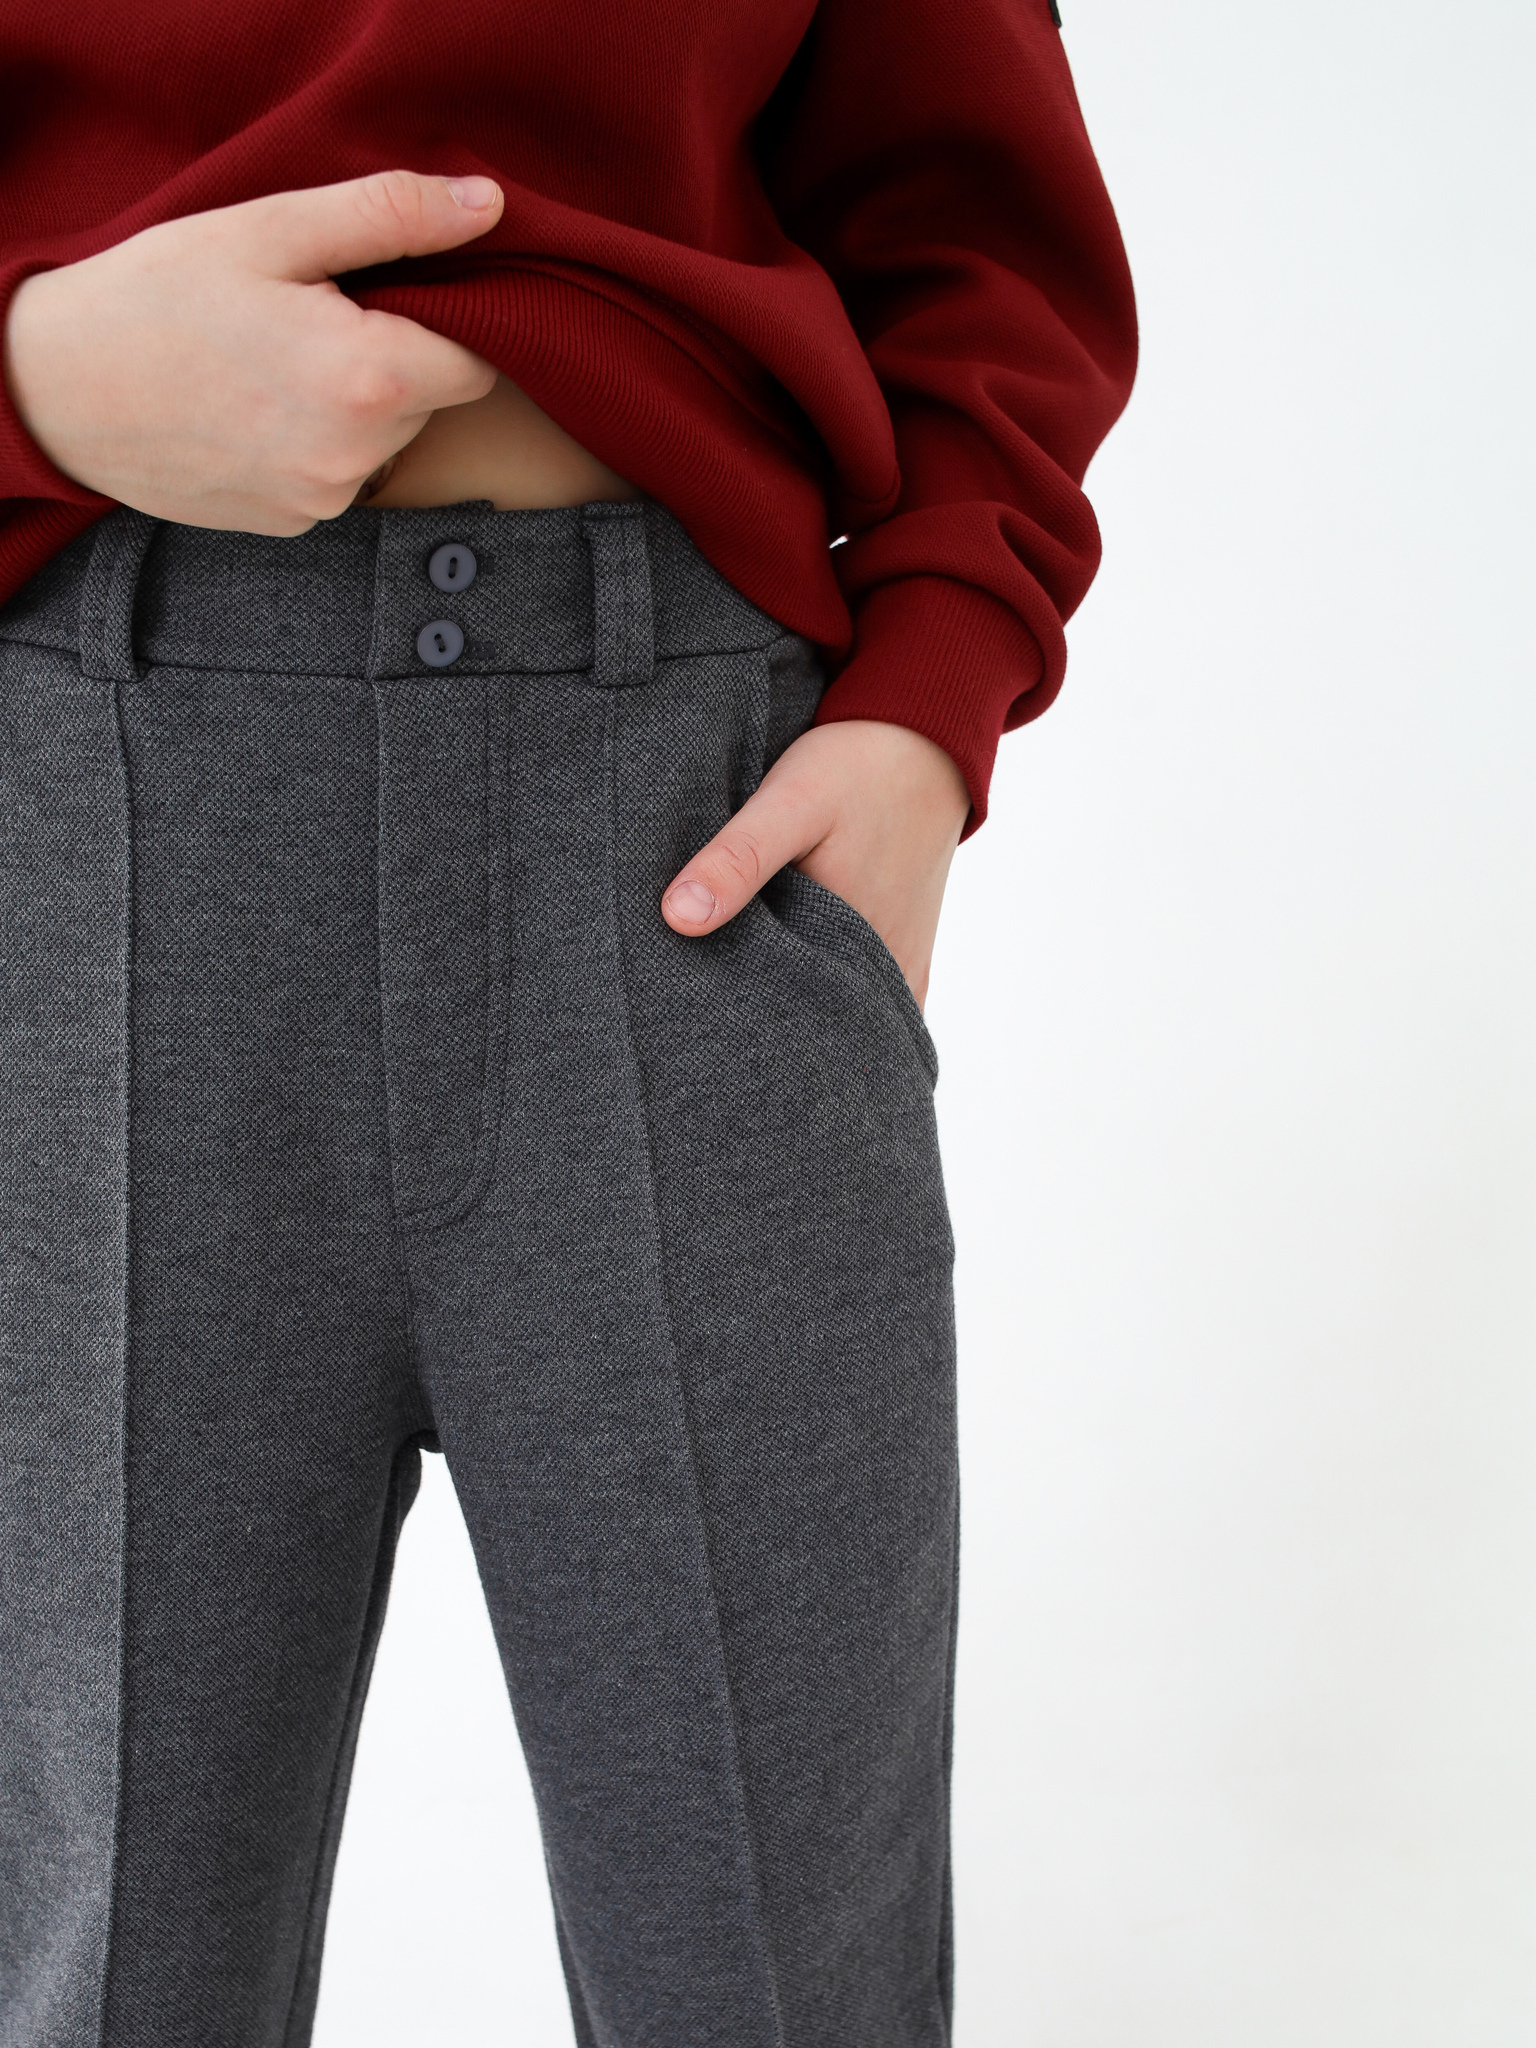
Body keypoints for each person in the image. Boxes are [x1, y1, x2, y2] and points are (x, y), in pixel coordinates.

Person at [0, 2, 1135, 2041]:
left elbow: (978, 213)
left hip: (685, 831)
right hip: (97, 815)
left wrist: (934, 687)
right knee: (87, 1972)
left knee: (780, 1979)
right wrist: (18, 381)